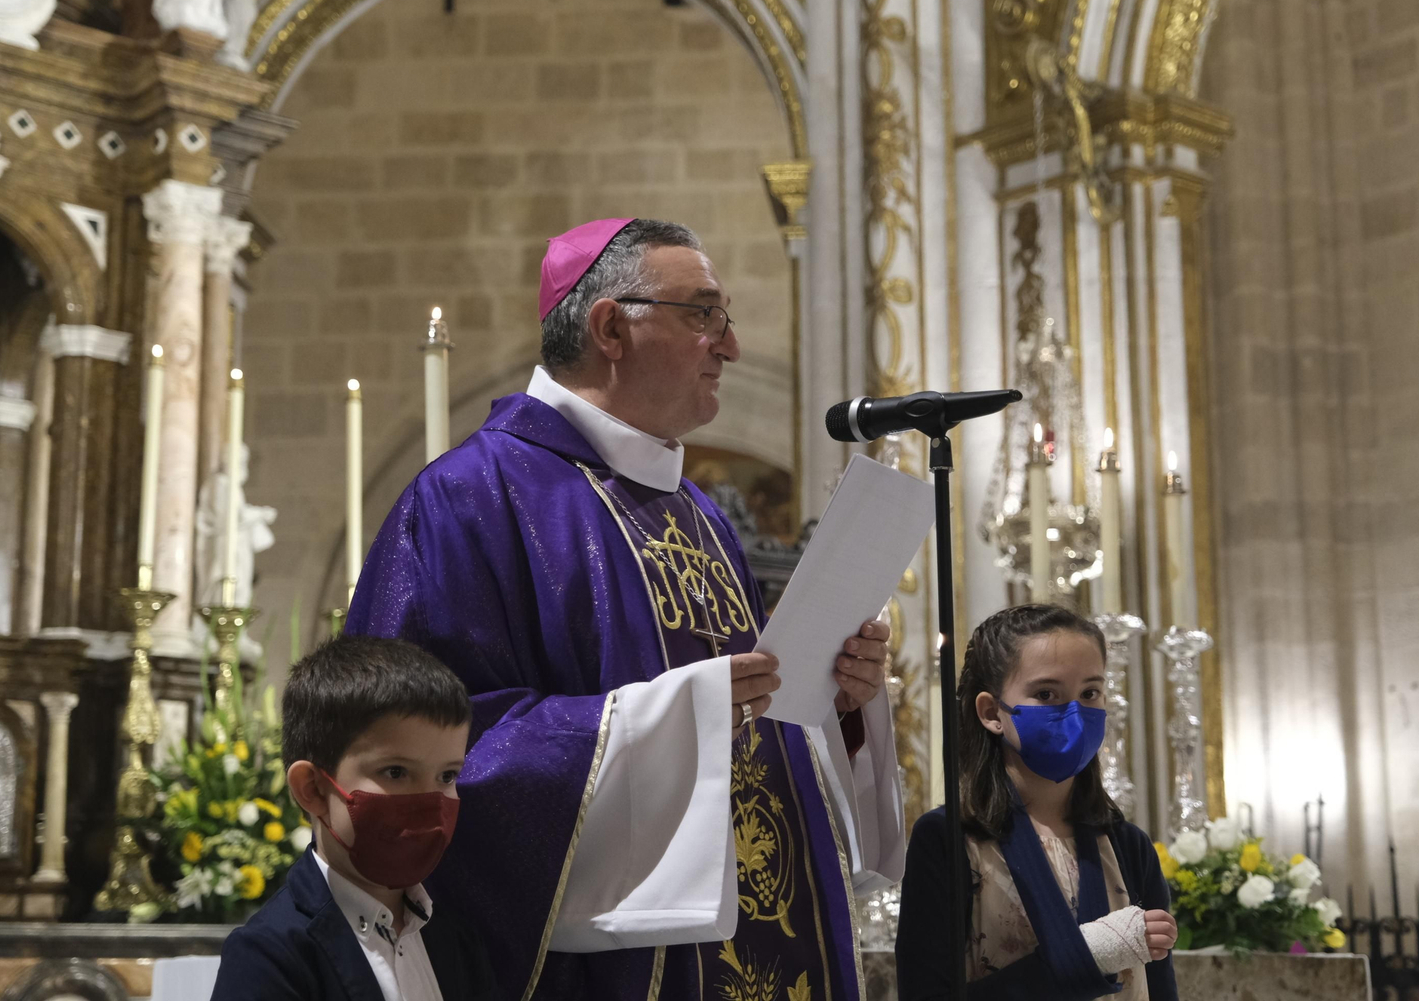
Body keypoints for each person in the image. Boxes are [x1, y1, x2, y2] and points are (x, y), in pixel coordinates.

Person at [346, 218, 905, 1001]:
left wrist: (833, 702)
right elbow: (415, 756)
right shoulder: (470, 498)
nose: (730, 345)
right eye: (703, 314)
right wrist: (681, 715)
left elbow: (755, 731)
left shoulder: (699, 515)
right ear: (611, 326)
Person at [896, 604, 1179, 1000]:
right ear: (992, 712)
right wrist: (1092, 953)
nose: (1076, 713)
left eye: (1090, 693)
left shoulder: (1128, 847)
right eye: (1047, 694)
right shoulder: (949, 840)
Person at [211, 635, 497, 1001]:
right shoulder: (269, 955)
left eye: (447, 776)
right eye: (396, 772)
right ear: (313, 789)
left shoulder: (457, 942)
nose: (429, 801)